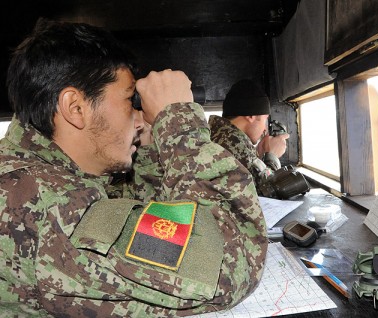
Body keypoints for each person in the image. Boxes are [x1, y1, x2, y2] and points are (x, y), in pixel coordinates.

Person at [0, 19, 267, 317]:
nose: (139, 121)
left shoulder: (31, 174)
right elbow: (230, 268)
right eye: (130, 101)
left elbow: (147, 224)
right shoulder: (47, 204)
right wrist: (178, 125)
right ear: (75, 108)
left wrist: (153, 145)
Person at [208, 79, 289, 191]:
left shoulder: (219, 134)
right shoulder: (233, 142)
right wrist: (273, 156)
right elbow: (268, 191)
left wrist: (259, 156)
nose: (265, 128)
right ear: (251, 115)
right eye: (265, 119)